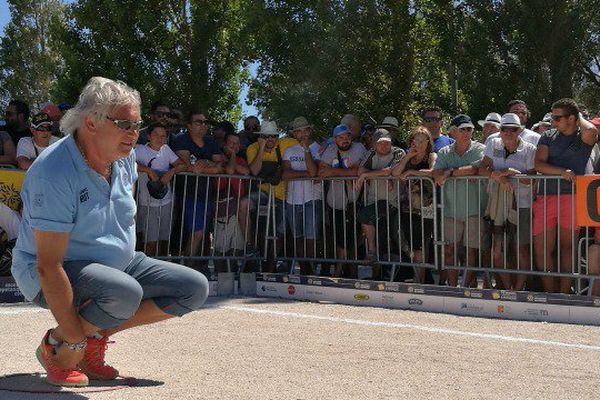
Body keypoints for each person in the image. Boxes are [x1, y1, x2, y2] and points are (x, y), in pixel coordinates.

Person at [11, 77, 209, 387]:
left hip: (119, 265)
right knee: (123, 292)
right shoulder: (54, 171)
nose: (134, 133)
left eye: (136, 124)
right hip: (55, 270)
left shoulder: (125, 157)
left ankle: (92, 336)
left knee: (194, 288)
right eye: (124, 124)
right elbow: (48, 266)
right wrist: (74, 338)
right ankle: (60, 347)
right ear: (91, 122)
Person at [533, 98, 598, 293]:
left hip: (572, 198)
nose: (553, 121)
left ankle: (563, 293)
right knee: (543, 249)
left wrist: (578, 116)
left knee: (568, 248)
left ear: (572, 118)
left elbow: (592, 132)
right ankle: (550, 293)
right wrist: (561, 172)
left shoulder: (583, 136)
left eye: (557, 117)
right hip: (546, 196)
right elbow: (539, 164)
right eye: (552, 117)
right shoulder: (548, 136)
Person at [478, 113, 536, 291]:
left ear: (519, 130)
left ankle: (517, 290)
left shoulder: (530, 149)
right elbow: (481, 169)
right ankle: (508, 288)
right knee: (497, 250)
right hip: (498, 205)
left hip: (522, 205)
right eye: (504, 129)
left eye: (513, 129)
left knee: (521, 250)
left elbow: (533, 179)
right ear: (500, 130)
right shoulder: (492, 143)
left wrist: (514, 174)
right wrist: (497, 176)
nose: (508, 133)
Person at [433, 114, 487, 287]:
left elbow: (477, 168)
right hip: (451, 210)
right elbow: (436, 173)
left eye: (469, 129)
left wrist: (450, 172)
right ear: (453, 132)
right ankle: (452, 288)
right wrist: (455, 172)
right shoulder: (444, 151)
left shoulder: (480, 148)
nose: (466, 132)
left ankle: (464, 288)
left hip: (476, 208)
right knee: (450, 251)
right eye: (462, 129)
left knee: (472, 253)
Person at [172, 110, 223, 265]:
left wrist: (205, 164)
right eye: (198, 122)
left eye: (205, 122)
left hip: (206, 195)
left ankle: (192, 267)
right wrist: (209, 165)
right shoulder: (181, 140)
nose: (203, 125)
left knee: (201, 233)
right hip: (186, 194)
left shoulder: (211, 142)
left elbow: (220, 167)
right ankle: (187, 268)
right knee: (195, 233)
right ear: (189, 125)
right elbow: (189, 167)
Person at [246, 120, 297, 271]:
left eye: (273, 136)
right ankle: (259, 260)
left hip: (283, 196)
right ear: (260, 136)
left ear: (278, 136)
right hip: (262, 195)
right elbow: (254, 171)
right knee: (262, 231)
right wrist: (261, 148)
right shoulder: (252, 148)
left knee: (279, 233)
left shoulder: (287, 143)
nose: (270, 140)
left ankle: (271, 265)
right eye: (266, 136)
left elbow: (308, 144)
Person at [356, 129, 405, 279]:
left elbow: (391, 171)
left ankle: (396, 275)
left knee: (394, 242)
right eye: (381, 143)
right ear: (374, 144)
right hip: (374, 201)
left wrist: (367, 175)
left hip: (393, 203)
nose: (384, 146)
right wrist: (367, 173)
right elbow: (360, 170)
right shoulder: (370, 153)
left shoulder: (399, 152)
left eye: (387, 143)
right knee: (380, 239)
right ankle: (376, 272)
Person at [319, 124, 367, 278]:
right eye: (341, 137)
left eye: (347, 136)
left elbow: (358, 171)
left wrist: (333, 171)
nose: (345, 140)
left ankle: (347, 275)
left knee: (352, 241)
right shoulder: (330, 150)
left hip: (354, 203)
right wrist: (346, 173)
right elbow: (321, 171)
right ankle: (339, 273)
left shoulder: (359, 148)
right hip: (334, 203)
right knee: (339, 240)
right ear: (334, 139)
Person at [391, 126, 437, 283]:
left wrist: (412, 173)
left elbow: (433, 172)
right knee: (409, 246)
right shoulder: (408, 157)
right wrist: (407, 157)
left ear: (428, 142)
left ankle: (419, 282)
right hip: (407, 207)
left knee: (422, 246)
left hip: (426, 208)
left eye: (422, 140)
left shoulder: (431, 156)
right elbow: (395, 173)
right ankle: (416, 278)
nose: (418, 143)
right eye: (415, 140)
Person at [135, 123, 186, 256]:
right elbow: (126, 162)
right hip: (147, 203)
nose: (160, 138)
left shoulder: (166, 149)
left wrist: (171, 171)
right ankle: (147, 272)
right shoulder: (140, 149)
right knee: (150, 242)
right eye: (156, 134)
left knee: (164, 240)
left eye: (163, 135)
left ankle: (162, 270)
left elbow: (181, 165)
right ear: (148, 136)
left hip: (166, 201)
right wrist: (148, 170)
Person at [282, 117, 321, 275]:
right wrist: (306, 174)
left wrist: (306, 150)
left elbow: (315, 172)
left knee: (311, 238)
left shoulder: (317, 148)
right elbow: (285, 174)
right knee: (298, 238)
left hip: (312, 198)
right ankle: (304, 271)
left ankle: (311, 273)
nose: (302, 133)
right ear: (294, 134)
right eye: (298, 131)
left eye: (305, 130)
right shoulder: (289, 150)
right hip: (293, 200)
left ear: (309, 131)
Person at [213, 132, 251, 272]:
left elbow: (246, 172)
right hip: (223, 208)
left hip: (238, 208)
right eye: (231, 143)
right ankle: (220, 274)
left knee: (237, 244)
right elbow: (229, 170)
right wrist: (233, 157)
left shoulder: (241, 160)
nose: (234, 146)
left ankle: (234, 275)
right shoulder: (218, 159)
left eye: (237, 144)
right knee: (221, 245)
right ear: (224, 144)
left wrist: (235, 160)